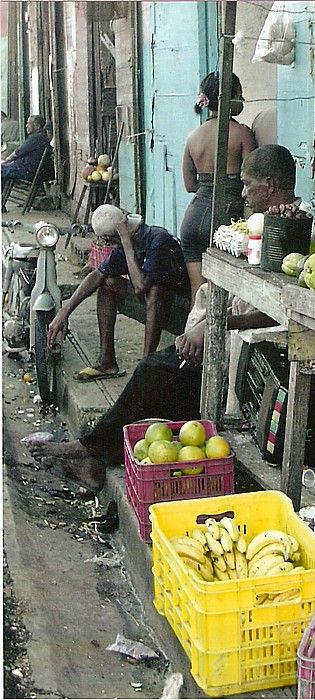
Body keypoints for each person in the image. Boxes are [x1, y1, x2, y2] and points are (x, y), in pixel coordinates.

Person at [29, 144, 300, 492]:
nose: (243, 193)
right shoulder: (262, 226)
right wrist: (64, 311)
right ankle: (96, 455)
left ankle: (90, 450)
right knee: (153, 378)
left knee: (151, 372)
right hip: (214, 329)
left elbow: (272, 308)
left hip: (237, 340)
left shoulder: (292, 229)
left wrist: (213, 326)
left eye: (248, 185)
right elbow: (99, 275)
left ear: (271, 184)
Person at [46, 204, 191, 381]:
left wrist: (125, 242)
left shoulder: (159, 240)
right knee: (108, 283)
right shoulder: (127, 243)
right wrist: (64, 313)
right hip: (159, 310)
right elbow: (97, 275)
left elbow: (140, 286)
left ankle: (147, 365)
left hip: (183, 316)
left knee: (155, 290)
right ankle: (107, 362)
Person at [180, 72, 256, 307]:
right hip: (224, 220)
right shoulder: (242, 133)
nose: (242, 99)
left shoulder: (193, 137)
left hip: (192, 221)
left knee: (198, 295)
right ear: (228, 98)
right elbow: (251, 179)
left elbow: (190, 185)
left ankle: (192, 341)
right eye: (239, 94)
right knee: (224, 297)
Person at [1, 114, 51, 182]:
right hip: (27, 168)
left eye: (29, 124)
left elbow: (18, 152)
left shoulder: (36, 138)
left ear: (38, 126)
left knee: (2, 169)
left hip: (27, 171)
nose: (26, 126)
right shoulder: (40, 136)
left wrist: (6, 160)